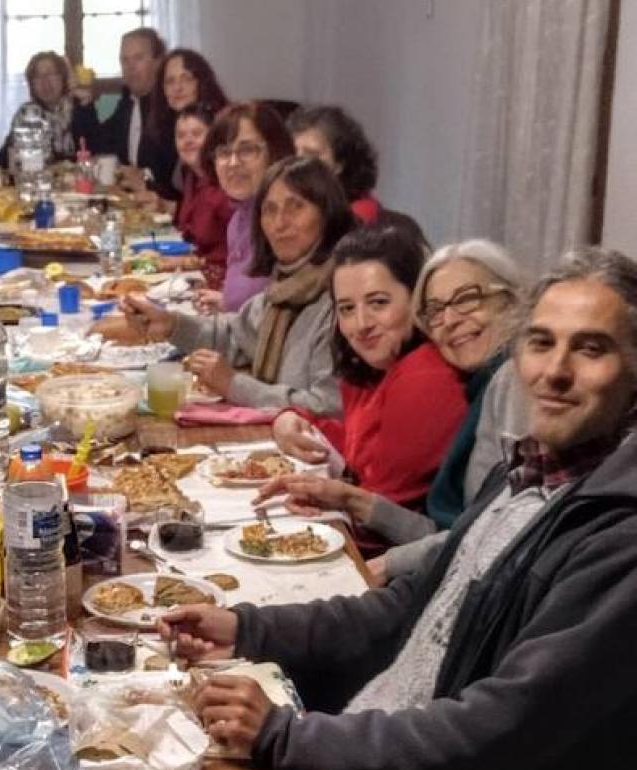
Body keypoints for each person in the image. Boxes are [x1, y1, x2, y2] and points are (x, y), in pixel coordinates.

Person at [162, 247, 637, 769]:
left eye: (591, 349)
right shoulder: (527, 471)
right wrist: (245, 628)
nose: (555, 371)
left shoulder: (618, 532)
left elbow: (507, 727)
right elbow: (409, 606)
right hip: (374, 725)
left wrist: (287, 737)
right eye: (541, 343)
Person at [257, 239, 526, 582]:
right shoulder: (479, 381)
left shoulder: (505, 383)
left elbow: (491, 538)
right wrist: (291, 419)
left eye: (467, 299)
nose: (451, 319)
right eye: (436, 309)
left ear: (512, 298)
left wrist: (384, 553)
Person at [267, 226, 468, 548]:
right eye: (347, 308)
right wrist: (289, 418)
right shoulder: (376, 366)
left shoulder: (424, 377)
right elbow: (358, 448)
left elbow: (376, 517)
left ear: (416, 299)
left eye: (378, 302)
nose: (361, 324)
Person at [122, 156, 354, 415]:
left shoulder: (343, 298)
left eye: (295, 207)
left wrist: (234, 384)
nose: (280, 223)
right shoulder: (286, 285)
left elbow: (329, 407)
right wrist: (170, 324)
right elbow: (236, 337)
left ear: (328, 214)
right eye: (270, 210)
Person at [195, 101, 295, 311]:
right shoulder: (237, 220)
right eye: (224, 152)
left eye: (247, 150)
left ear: (275, 153)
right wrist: (225, 302)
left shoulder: (284, 222)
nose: (233, 163)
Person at [144, 48, 229, 198]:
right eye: (170, 81)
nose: (177, 88)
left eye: (186, 79)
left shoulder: (221, 125)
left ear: (201, 83)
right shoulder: (168, 124)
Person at [0, 50, 100, 165]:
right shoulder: (26, 114)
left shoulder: (81, 108)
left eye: (51, 74)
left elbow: (98, 150)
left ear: (63, 78)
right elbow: (3, 160)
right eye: (37, 77)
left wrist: (86, 102)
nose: (45, 82)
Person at [288, 104, 381, 224]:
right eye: (291, 152)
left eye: (311, 154)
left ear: (339, 164)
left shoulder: (359, 215)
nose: (295, 161)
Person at [97, 28, 168, 184]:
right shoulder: (127, 102)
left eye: (138, 58)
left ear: (158, 62)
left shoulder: (170, 106)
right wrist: (85, 105)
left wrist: (143, 176)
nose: (130, 67)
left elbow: (172, 176)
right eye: (124, 60)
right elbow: (99, 143)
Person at [172, 103, 231, 288]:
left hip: (223, 285)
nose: (188, 141)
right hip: (196, 275)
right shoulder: (192, 178)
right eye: (181, 136)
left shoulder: (227, 184)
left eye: (197, 134)